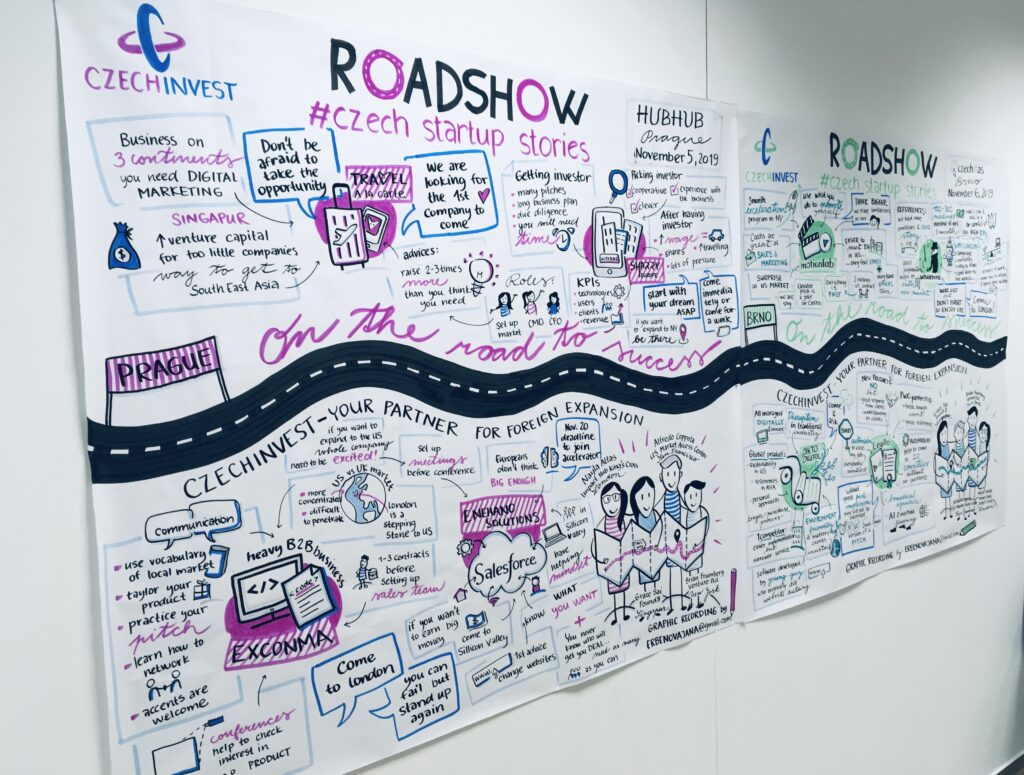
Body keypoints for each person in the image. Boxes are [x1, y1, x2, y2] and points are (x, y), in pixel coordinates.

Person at [591, 481, 632, 624]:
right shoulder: (602, 523)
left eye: (615, 498)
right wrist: (599, 558)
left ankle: (623, 613)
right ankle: (616, 616)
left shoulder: (623, 519)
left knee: (623, 589)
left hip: (623, 562)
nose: (612, 504)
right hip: (610, 565)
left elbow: (628, 537)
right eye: (607, 500)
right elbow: (596, 543)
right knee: (615, 591)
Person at [680, 480, 710, 610]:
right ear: (685, 498)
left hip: (698, 551)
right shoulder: (685, 514)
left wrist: (699, 541)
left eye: (697, 495)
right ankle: (689, 602)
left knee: (697, 577)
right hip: (687, 553)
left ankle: (698, 600)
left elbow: (706, 528)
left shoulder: (703, 512)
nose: (694, 500)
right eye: (690, 496)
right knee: (689, 578)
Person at [628, 476, 664, 587]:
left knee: (656, 583)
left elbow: (661, 534)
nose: (646, 502)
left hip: (656, 558)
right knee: (645, 585)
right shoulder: (635, 519)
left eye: (649, 495)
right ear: (635, 500)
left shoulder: (656, 515)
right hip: (642, 561)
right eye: (642, 497)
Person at [935, 419, 953, 519]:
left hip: (949, 476)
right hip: (942, 478)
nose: (944, 436)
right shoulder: (938, 449)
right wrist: (938, 474)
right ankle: (946, 513)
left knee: (949, 496)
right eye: (942, 434)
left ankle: (949, 513)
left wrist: (951, 464)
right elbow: (936, 466)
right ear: (938, 435)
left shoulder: (949, 446)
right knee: (945, 496)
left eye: (946, 433)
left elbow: (951, 460)